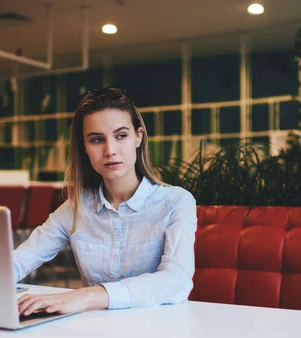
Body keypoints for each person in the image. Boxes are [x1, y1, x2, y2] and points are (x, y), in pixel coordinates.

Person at [15, 86, 197, 317]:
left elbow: (176, 281)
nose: (110, 150)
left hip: (159, 334)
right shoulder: (75, 208)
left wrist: (86, 295)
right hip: (95, 334)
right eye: (97, 139)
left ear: (138, 137)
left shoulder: (176, 202)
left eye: (121, 135)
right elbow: (21, 259)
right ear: (84, 147)